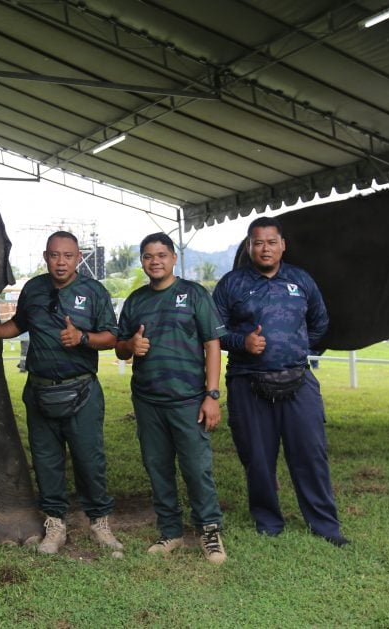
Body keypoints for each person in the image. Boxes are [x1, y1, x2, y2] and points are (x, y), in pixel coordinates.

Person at [0, 231, 123, 555]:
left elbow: (113, 337)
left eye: (67, 256)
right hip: (40, 391)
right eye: (54, 255)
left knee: (90, 461)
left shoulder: (93, 291)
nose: (60, 262)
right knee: (47, 462)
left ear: (78, 258)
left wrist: (83, 339)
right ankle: (55, 525)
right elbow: (17, 325)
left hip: (82, 392)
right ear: (46, 257)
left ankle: (99, 523)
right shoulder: (33, 288)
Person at [213, 216, 346, 546]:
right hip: (248, 381)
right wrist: (242, 342)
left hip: (299, 380)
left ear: (283, 245)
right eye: (258, 242)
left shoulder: (301, 280)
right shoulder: (232, 284)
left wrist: (294, 347)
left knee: (311, 455)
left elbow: (319, 322)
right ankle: (268, 522)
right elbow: (213, 332)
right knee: (257, 456)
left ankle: (325, 526)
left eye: (271, 242)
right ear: (249, 246)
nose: (265, 248)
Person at [115, 232, 227, 564]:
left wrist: (212, 395)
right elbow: (120, 347)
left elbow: (212, 344)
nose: (155, 261)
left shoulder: (193, 294)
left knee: (197, 467)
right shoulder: (135, 300)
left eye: (161, 255)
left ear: (174, 257)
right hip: (148, 401)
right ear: (142, 261)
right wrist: (131, 347)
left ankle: (209, 531)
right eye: (148, 256)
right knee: (157, 467)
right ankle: (170, 532)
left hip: (189, 400)